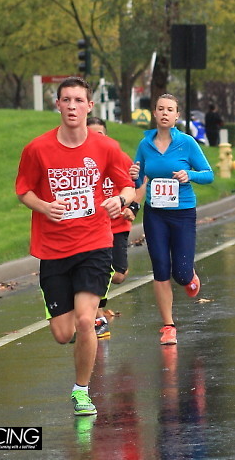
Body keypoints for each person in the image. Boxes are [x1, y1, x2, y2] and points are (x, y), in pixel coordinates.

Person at [15, 76, 136, 416]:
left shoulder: (105, 148)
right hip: (53, 249)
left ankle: (81, 391)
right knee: (61, 332)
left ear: (89, 106)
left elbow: (128, 185)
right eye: (66, 100)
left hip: (95, 244)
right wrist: (44, 206)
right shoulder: (37, 149)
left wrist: (120, 201)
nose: (72, 106)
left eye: (78, 100)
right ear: (57, 104)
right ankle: (76, 330)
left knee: (86, 321)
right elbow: (24, 190)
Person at [133, 94, 214, 346]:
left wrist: (189, 175)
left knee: (180, 273)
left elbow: (208, 175)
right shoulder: (145, 145)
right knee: (159, 267)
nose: (165, 113)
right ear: (154, 114)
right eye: (160, 109)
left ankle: (189, 275)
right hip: (155, 213)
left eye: (170, 109)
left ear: (177, 116)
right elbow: (137, 180)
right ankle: (168, 325)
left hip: (182, 212)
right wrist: (135, 175)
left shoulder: (187, 143)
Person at [86, 117, 144, 339]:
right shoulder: (82, 161)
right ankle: (97, 315)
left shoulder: (118, 157)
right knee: (98, 270)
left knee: (119, 274)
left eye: (100, 134)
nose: (95, 138)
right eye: (90, 133)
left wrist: (134, 207)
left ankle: (87, 289)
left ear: (106, 135)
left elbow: (137, 184)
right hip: (93, 227)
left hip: (118, 224)